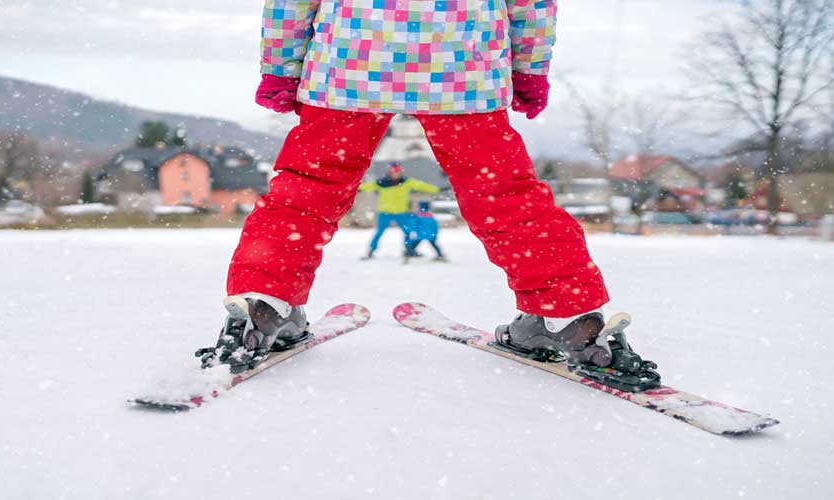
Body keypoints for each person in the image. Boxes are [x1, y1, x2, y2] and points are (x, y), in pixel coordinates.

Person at [200, 0, 655, 389]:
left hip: (350, 65)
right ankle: (569, 315)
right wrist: (528, 69)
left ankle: (264, 302)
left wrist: (280, 68)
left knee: (305, 192)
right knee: (508, 197)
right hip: (462, 69)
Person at [358, 162, 439, 260]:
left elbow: (421, 185)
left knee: (407, 231)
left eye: (398, 171)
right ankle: (371, 251)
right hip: (385, 212)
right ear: (390, 172)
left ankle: (409, 250)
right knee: (379, 232)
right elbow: (367, 186)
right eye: (394, 171)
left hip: (401, 213)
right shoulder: (381, 183)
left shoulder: (406, 182)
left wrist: (437, 189)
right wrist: (353, 188)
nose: (396, 173)